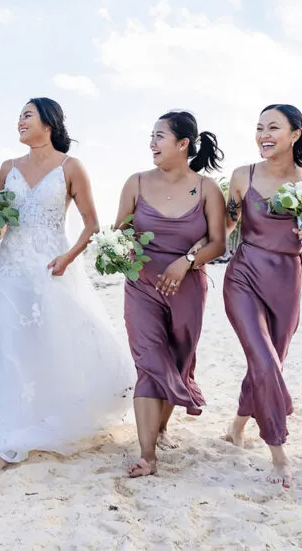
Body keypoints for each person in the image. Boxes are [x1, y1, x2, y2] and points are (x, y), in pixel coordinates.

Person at [0, 98, 135, 474]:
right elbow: (2, 222)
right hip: (13, 269)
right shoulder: (7, 168)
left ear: (48, 123)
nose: (19, 121)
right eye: (18, 115)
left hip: (52, 266)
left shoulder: (71, 167)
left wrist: (68, 257)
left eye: (27, 115)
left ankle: (52, 415)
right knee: (14, 348)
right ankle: (11, 433)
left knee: (52, 342)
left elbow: (90, 225)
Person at [115, 111, 226, 477]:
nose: (152, 143)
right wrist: (121, 249)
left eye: (159, 136)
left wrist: (187, 261)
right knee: (149, 362)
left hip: (188, 288)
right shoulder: (136, 183)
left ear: (183, 144)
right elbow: (120, 233)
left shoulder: (207, 189)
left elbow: (217, 243)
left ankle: (161, 427)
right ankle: (147, 454)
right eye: (151, 136)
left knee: (178, 361)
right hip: (141, 286)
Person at [222, 104, 302, 487]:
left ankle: (236, 427)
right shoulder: (241, 176)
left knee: (268, 362)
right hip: (244, 275)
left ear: (296, 134)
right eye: (259, 128)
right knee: (265, 361)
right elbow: (226, 226)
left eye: (273, 128)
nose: (264, 134)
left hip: (288, 279)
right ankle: (278, 453)